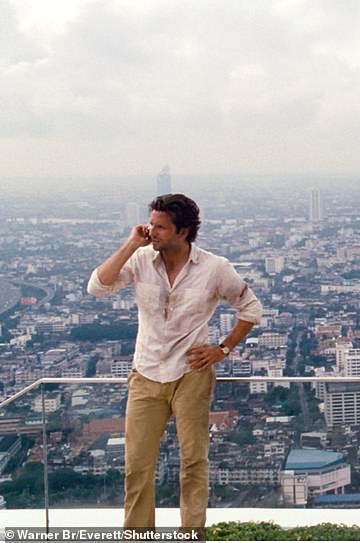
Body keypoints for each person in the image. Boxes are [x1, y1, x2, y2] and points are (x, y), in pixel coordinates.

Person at [87, 194, 262, 530]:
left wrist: (222, 349)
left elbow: (251, 309)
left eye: (160, 227)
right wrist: (129, 244)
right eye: (151, 224)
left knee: (193, 462)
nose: (151, 231)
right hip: (146, 373)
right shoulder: (140, 260)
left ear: (183, 232)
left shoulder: (214, 268)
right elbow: (98, 287)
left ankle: (192, 535)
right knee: (137, 465)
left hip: (191, 374)